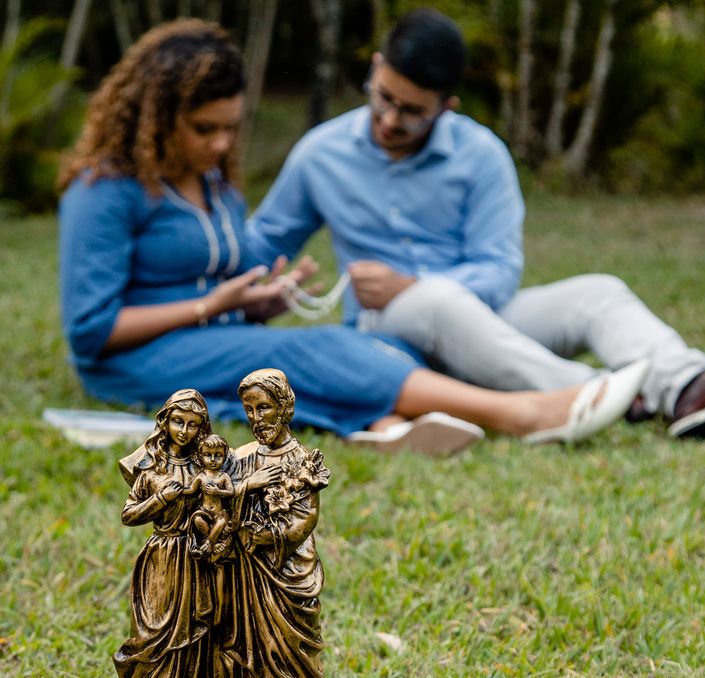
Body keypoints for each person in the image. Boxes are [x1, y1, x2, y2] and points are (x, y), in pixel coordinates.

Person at [57, 17, 649, 454]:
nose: (220, 145)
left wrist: (257, 302)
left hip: (207, 343)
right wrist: (215, 304)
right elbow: (90, 333)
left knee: (331, 352)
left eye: (230, 129)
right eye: (203, 129)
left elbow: (232, 271)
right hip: (132, 362)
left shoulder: (215, 185)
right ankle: (523, 412)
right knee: (312, 352)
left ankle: (383, 426)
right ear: (156, 116)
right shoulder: (105, 189)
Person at [247, 7, 705, 440]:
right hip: (384, 338)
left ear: (446, 105)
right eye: (383, 98)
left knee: (598, 293)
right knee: (434, 302)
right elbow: (265, 242)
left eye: (411, 112)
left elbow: (499, 267)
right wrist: (251, 287)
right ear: (373, 68)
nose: (390, 119)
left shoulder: (481, 155)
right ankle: (597, 395)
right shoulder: (320, 154)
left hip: (482, 325)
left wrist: (418, 287)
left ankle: (689, 388)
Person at [214, 369, 338, 678]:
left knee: (287, 653)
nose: (256, 417)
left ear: (285, 407)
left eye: (264, 407)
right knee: (248, 653)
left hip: (287, 573)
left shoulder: (303, 461)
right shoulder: (242, 458)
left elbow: (307, 517)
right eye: (249, 409)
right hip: (246, 575)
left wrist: (270, 537)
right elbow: (220, 500)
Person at [114, 389, 220, 678]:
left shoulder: (206, 465)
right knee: (154, 640)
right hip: (161, 558)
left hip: (194, 558)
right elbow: (129, 514)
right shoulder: (148, 467)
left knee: (194, 642)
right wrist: (162, 500)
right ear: (165, 421)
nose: (184, 431)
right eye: (178, 422)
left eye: (193, 425)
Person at [186, 433, 235, 561]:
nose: (213, 459)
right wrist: (179, 491)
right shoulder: (201, 476)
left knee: (221, 522)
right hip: (204, 512)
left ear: (224, 457)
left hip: (219, 513)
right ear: (201, 456)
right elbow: (191, 490)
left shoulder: (223, 476)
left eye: (218, 456)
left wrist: (217, 492)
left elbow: (231, 492)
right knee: (197, 520)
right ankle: (214, 542)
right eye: (208, 455)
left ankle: (208, 544)